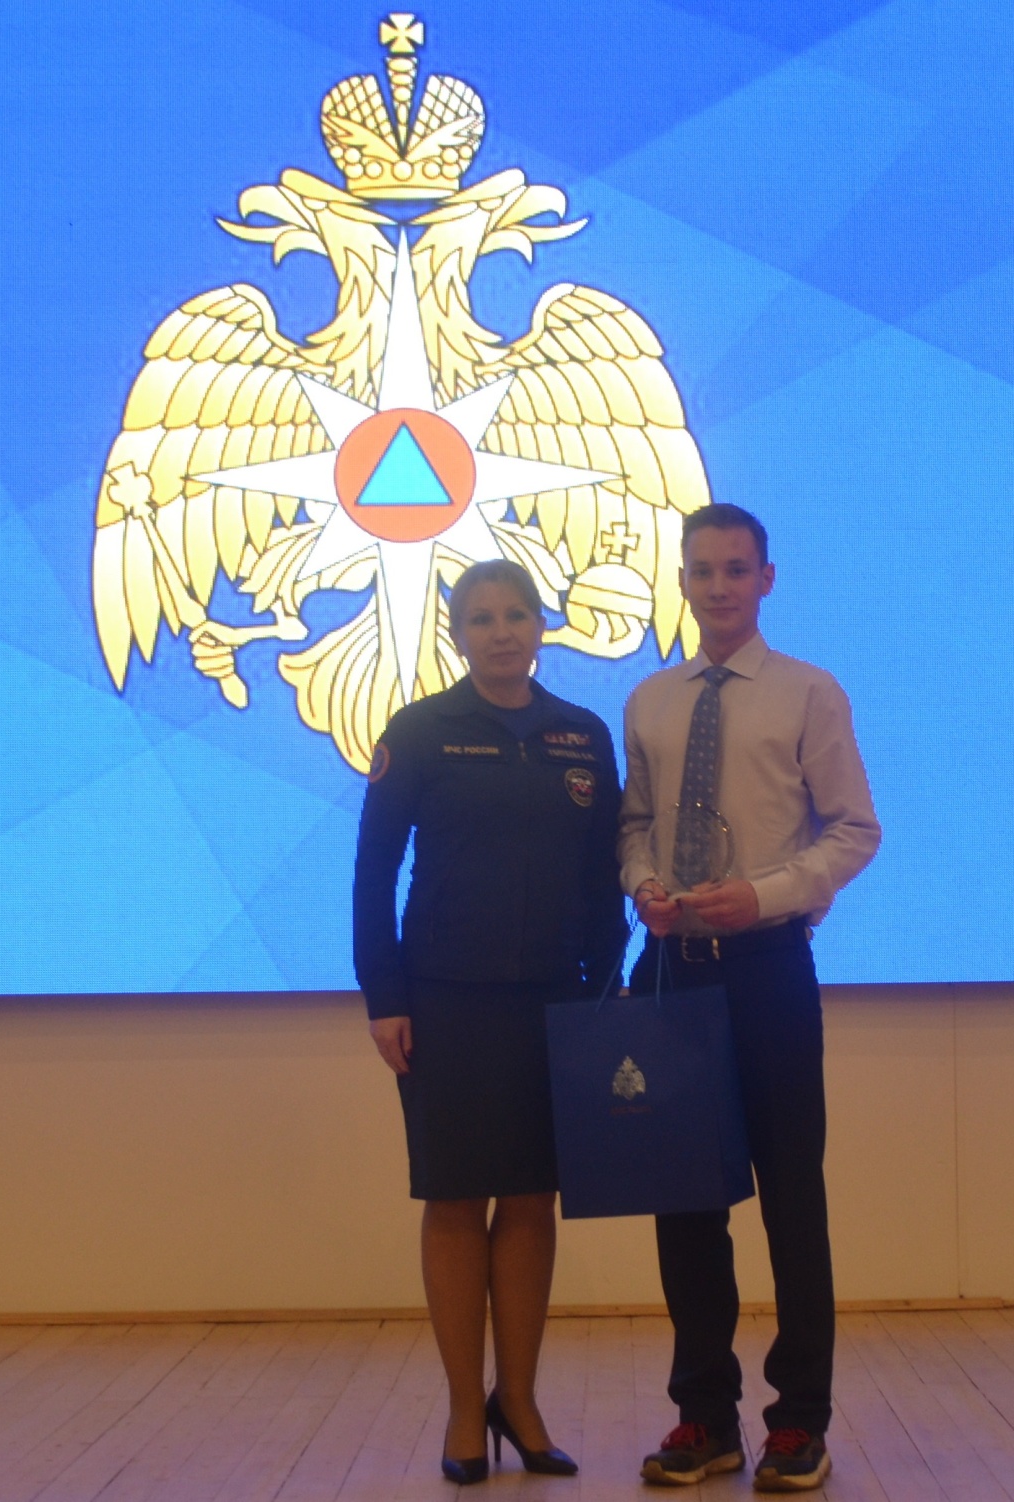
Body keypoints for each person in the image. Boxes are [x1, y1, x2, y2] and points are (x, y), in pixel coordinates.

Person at [620, 503, 880, 1492]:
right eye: (703, 570)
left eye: (737, 569)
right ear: (682, 580)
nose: (719, 586)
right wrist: (642, 881)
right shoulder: (649, 701)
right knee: (684, 1202)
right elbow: (632, 825)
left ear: (766, 578)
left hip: (769, 969)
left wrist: (765, 895)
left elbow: (853, 829)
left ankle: (798, 1421)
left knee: (790, 1197)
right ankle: (704, 1414)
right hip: (674, 972)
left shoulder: (810, 693)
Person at [354, 558, 628, 1486]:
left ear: (541, 625)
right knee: (455, 1199)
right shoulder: (420, 732)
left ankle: (521, 1399)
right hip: (445, 1001)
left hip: (556, 998)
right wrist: (384, 995)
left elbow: (602, 879)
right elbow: (373, 873)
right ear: (458, 633)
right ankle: (465, 1411)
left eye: (516, 615)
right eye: (482, 618)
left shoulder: (582, 735)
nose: (502, 632)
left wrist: (608, 988)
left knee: (531, 1199)